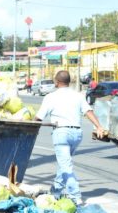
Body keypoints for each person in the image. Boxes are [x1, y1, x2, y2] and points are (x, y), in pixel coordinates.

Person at [35, 70, 105, 205]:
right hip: (77, 134)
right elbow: (88, 111)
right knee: (64, 163)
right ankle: (56, 190)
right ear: (69, 81)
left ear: (56, 81)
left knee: (66, 166)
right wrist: (99, 126)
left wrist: (32, 129)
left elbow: (39, 117)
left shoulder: (51, 97)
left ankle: (75, 196)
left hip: (61, 133)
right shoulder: (78, 96)